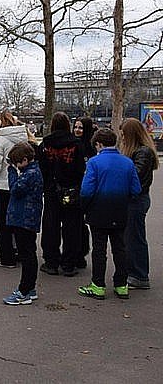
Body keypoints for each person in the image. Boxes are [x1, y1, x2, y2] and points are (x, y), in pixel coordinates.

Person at [78, 128, 141, 300]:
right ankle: (122, 284)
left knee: (99, 249)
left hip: (99, 209)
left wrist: (84, 207)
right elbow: (136, 189)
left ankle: (98, 285)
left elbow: (86, 190)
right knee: (120, 247)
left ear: (98, 144)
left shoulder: (94, 162)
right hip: (120, 209)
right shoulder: (127, 162)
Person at [38, 112, 86, 276]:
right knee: (72, 227)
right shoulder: (76, 145)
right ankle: (69, 263)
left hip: (51, 189)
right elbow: (81, 169)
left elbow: (41, 168)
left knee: (51, 225)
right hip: (72, 189)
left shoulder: (45, 144)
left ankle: (51, 261)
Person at [2, 142, 44, 305]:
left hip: (23, 219)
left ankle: (24, 290)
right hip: (28, 218)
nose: (16, 166)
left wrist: (11, 171)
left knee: (26, 255)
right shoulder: (33, 171)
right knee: (29, 253)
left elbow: (15, 189)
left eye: (17, 163)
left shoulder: (29, 174)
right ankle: (30, 288)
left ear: (25, 160)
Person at [0, 110, 27, 268]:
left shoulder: (0, 140)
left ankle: (5, 256)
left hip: (1, 186)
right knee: (17, 221)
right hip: (19, 185)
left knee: (2, 223)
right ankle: (19, 252)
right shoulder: (23, 139)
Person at [119, 117, 158, 290]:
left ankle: (139, 275)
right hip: (135, 199)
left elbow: (135, 175)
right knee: (131, 237)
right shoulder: (141, 151)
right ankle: (135, 272)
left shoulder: (143, 152)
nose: (122, 138)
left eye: (124, 134)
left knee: (135, 238)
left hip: (137, 200)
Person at [73, 116, 97, 268]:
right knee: (75, 223)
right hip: (75, 187)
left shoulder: (91, 147)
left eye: (80, 127)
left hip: (87, 189)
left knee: (82, 224)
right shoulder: (73, 144)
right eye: (75, 126)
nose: (77, 130)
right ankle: (77, 252)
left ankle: (81, 253)